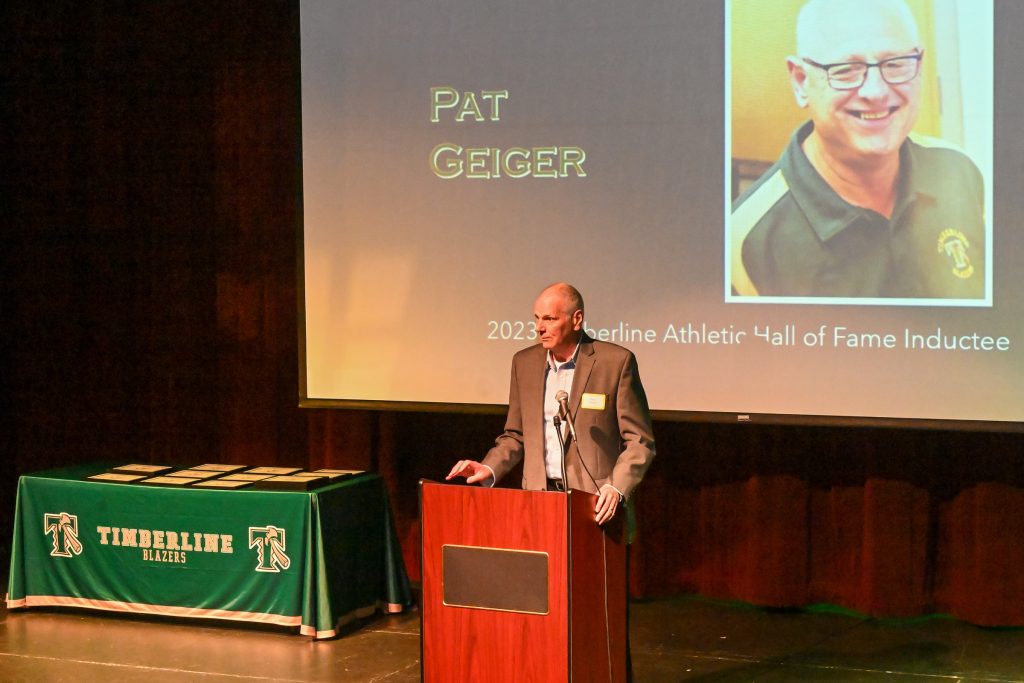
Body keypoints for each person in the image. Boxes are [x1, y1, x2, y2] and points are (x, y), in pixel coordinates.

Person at [731, 0, 985, 299]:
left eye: (895, 64)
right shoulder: (745, 242)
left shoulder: (959, 171)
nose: (875, 92)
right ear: (801, 82)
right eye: (846, 70)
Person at [447, 282, 655, 527]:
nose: (539, 327)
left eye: (549, 319)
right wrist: (489, 467)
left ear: (577, 319)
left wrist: (616, 488)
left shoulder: (615, 363)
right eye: (536, 318)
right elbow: (516, 435)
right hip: (537, 504)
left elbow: (639, 441)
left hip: (594, 506)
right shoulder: (524, 363)